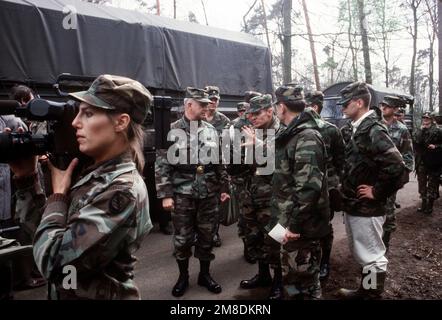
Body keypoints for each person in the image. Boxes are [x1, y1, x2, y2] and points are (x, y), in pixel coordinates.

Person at [9, 74, 153, 299]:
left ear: (121, 122)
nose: (75, 122)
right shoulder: (89, 173)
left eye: (88, 113)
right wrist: (27, 179)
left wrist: (58, 197)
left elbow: (53, 263)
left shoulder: (122, 191)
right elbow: (42, 236)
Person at [155, 87, 229, 297]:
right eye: (203, 104)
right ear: (189, 105)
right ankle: (183, 276)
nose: (208, 107)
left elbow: (219, 162)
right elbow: (162, 165)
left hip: (209, 192)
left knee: (207, 236)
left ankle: (204, 275)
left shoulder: (211, 130)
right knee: (183, 238)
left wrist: (224, 187)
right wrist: (166, 195)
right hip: (182, 193)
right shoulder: (171, 130)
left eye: (208, 104)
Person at [337, 82, 406, 300]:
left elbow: (397, 166)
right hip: (357, 205)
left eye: (345, 103)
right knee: (363, 252)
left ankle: (371, 294)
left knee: (372, 255)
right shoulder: (358, 127)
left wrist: (377, 192)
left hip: (369, 207)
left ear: (359, 102)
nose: (342, 108)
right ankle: (365, 290)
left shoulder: (373, 130)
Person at [270, 85, 330, 300]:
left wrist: (294, 225)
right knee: (291, 275)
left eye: (276, 106)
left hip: (300, 225)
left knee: (303, 281)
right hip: (287, 219)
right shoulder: (289, 133)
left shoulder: (306, 137)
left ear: (282, 107)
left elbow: (308, 189)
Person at [238, 94, 284, 300]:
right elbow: (242, 166)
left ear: (270, 110)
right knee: (254, 238)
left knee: (274, 241)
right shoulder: (251, 131)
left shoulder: (282, 131)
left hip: (273, 199)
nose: (252, 118)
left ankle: (278, 281)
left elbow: (282, 163)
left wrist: (256, 144)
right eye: (250, 114)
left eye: (256, 113)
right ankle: (263, 275)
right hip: (252, 195)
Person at [305, 91, 345, 280]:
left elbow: (340, 161)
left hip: (325, 189)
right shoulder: (297, 128)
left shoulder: (330, 130)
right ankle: (309, 257)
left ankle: (324, 262)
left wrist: (335, 185)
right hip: (303, 187)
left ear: (314, 107)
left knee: (323, 226)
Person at [379, 95, 414, 250]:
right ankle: (372, 247)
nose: (383, 107)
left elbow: (408, 156)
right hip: (372, 177)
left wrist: (400, 177)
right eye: (382, 105)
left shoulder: (401, 130)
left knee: (388, 212)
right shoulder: (374, 126)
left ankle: (384, 245)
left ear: (394, 109)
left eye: (387, 105)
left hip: (390, 179)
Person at [204, 85, 230, 248]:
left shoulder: (224, 120)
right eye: (210, 99)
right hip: (196, 166)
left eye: (216, 99)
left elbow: (226, 145)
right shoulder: (196, 118)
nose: (213, 102)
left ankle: (214, 233)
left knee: (214, 204)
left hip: (216, 166)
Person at [412, 111, 442, 214]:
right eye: (424, 117)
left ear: (432, 120)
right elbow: (415, 141)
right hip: (421, 161)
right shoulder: (419, 130)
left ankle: (430, 206)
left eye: (427, 118)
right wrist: (421, 130)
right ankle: (423, 203)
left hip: (434, 161)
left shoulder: (438, 131)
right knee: (422, 183)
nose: (425, 119)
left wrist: (436, 146)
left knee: (433, 183)